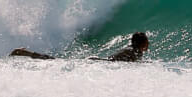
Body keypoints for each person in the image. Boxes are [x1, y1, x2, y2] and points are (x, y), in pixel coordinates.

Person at [9, 32, 150, 62]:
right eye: (147, 41)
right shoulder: (134, 53)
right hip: (97, 63)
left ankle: (26, 53)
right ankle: (25, 52)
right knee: (56, 61)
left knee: (56, 61)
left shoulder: (133, 51)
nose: (148, 44)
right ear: (142, 43)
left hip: (98, 62)